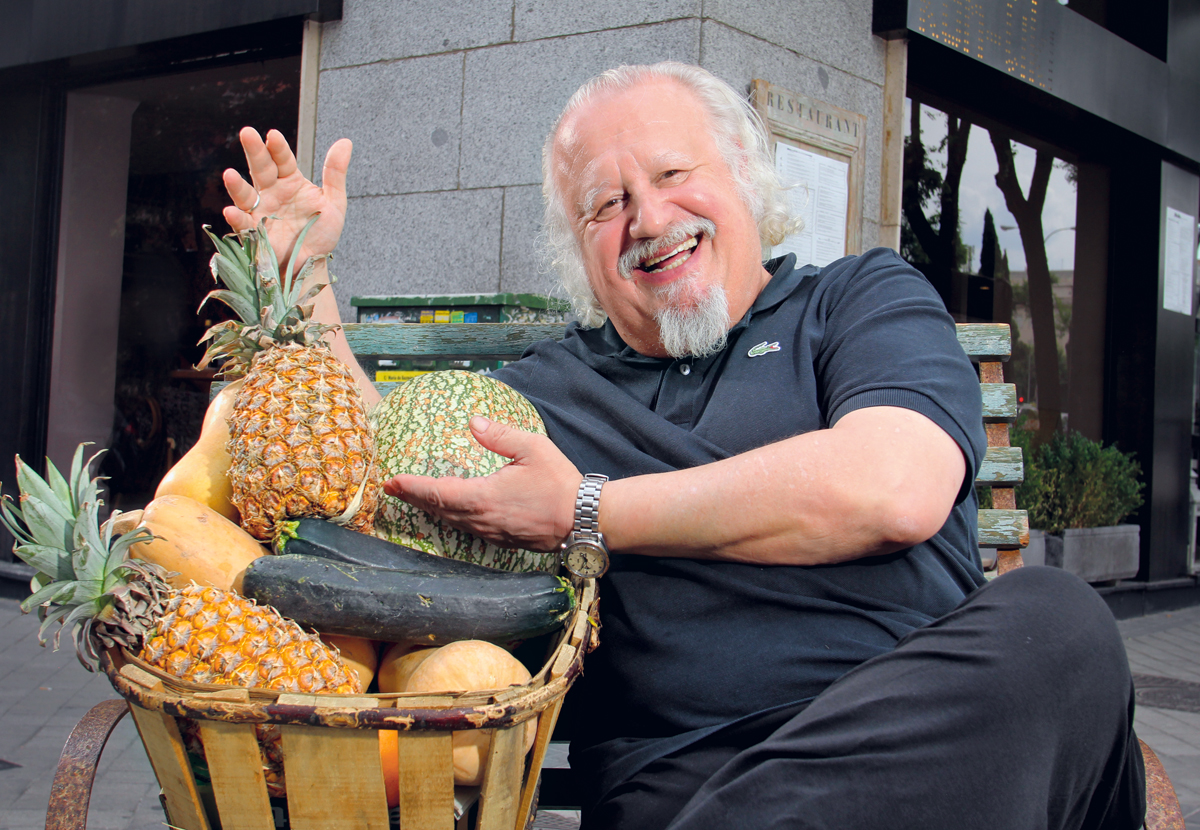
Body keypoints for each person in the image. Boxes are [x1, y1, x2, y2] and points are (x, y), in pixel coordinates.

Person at [223, 62, 1144, 829]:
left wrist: (586, 511)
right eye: (607, 204)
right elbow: (378, 465)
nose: (651, 221)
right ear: (578, 249)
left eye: (671, 176)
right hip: (685, 773)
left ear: (745, 174)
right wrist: (302, 270)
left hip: (927, 735)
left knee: (1059, 629)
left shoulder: (858, 301)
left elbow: (892, 486)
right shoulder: (550, 391)